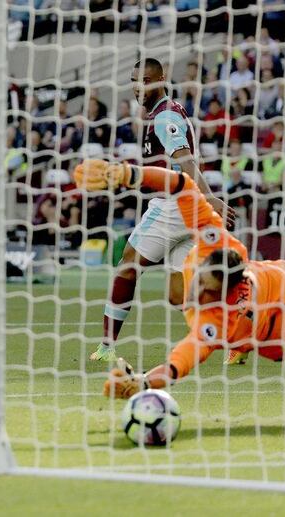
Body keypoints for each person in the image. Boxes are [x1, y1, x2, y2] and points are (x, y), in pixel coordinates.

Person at [73, 159, 285, 399]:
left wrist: (144, 383)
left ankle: (238, 347)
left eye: (209, 291)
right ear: (205, 261)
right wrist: (129, 173)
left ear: (227, 290)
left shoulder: (214, 315)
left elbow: (177, 365)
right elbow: (183, 184)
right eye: (202, 281)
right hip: (282, 315)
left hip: (281, 296)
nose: (198, 291)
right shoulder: (216, 245)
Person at [90, 59, 237, 363]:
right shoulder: (168, 111)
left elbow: (185, 160)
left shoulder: (164, 116)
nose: (138, 87)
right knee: (178, 296)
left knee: (128, 264)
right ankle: (238, 333)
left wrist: (211, 199)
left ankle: (106, 346)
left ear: (161, 79)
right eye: (134, 80)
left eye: (145, 80)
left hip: (174, 206)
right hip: (189, 210)